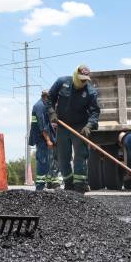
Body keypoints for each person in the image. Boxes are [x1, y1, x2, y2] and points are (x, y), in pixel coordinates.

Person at [48, 65, 100, 193]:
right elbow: (49, 98)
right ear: (75, 75)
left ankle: (80, 185)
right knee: (62, 157)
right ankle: (69, 184)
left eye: (85, 80)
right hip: (63, 125)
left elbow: (95, 112)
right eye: (81, 79)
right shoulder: (62, 82)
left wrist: (89, 125)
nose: (83, 82)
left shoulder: (90, 92)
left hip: (79, 127)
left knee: (80, 156)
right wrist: (52, 113)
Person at [29, 90, 55, 191]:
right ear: (46, 97)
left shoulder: (43, 105)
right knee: (42, 161)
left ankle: (43, 185)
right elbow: (42, 126)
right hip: (41, 138)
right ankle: (39, 187)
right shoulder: (39, 106)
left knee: (46, 161)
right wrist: (48, 140)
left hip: (43, 137)